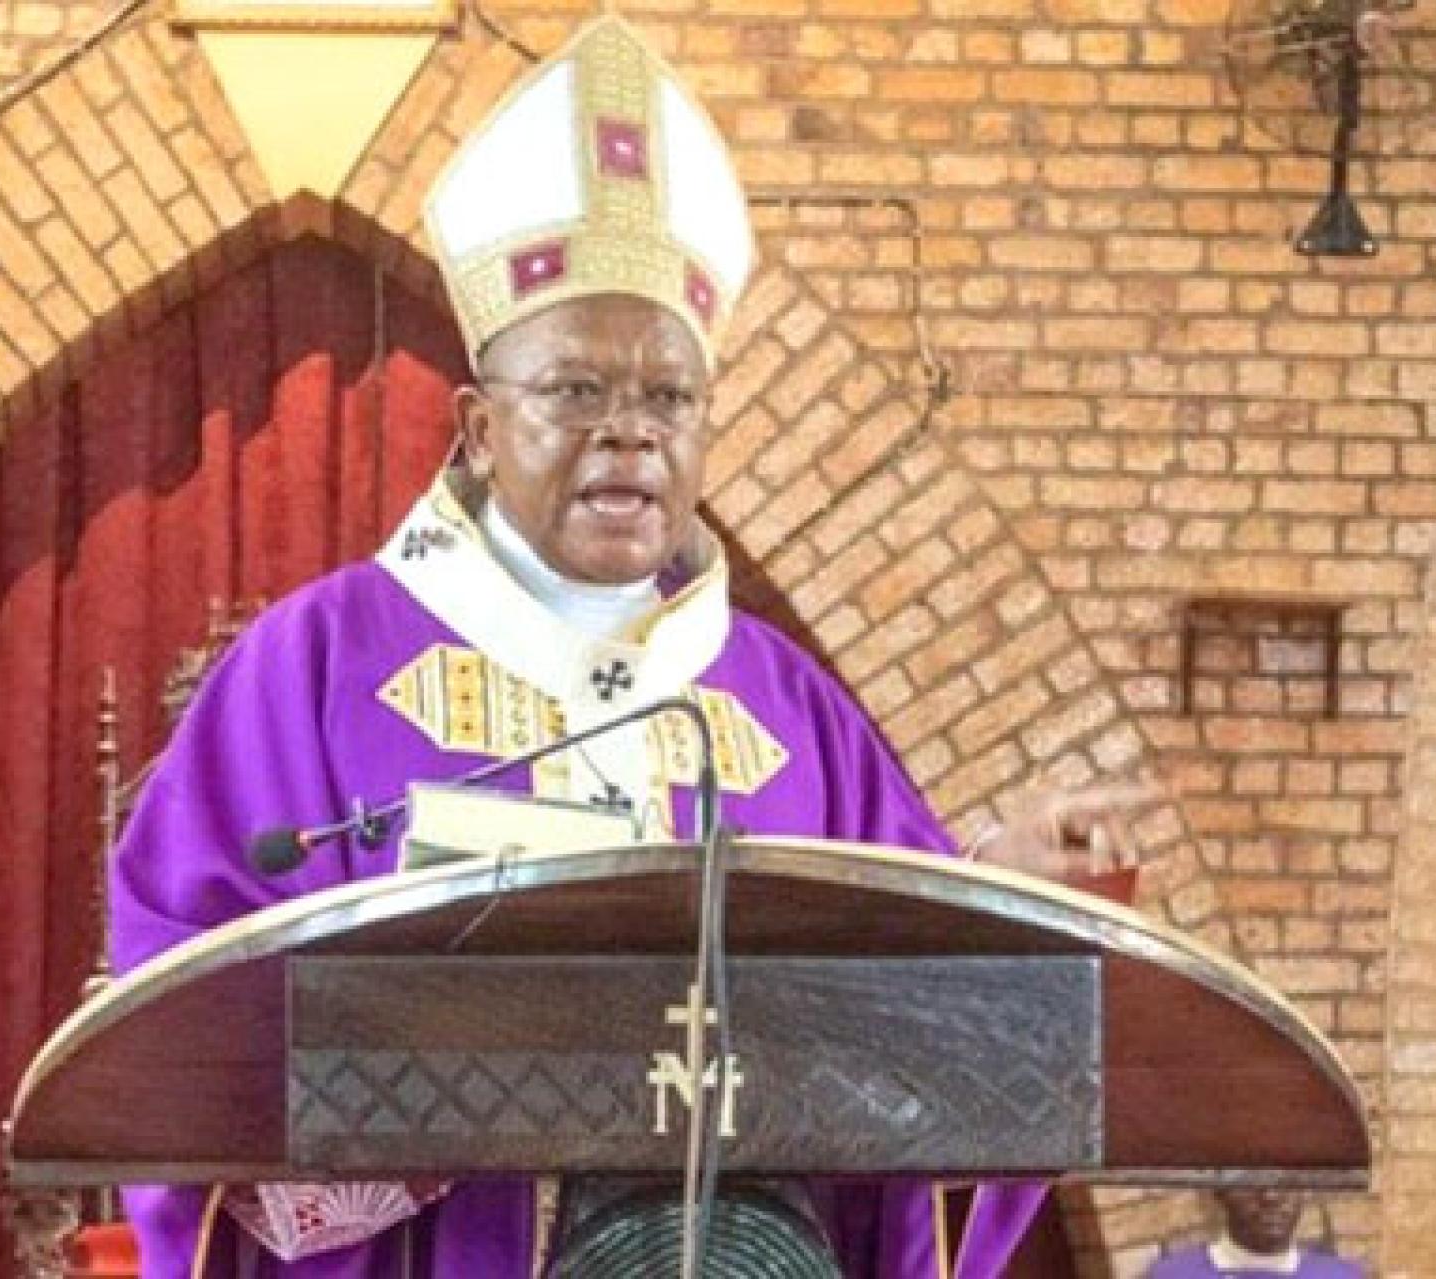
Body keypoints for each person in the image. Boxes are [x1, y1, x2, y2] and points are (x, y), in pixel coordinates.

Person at [112, 15, 1128, 1277]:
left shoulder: (785, 701)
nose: (629, 435)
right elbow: (173, 1015)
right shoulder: (313, 666)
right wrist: (431, 1115)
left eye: (667, 398)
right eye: (577, 392)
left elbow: (918, 1045)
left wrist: (1002, 892)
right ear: (480, 429)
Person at [1147, 1189, 1364, 1278]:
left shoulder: (1340, 1276)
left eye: (1287, 1179)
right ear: (1220, 1189)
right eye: (1252, 1179)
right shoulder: (1171, 1275)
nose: (1270, 1196)